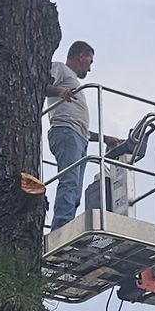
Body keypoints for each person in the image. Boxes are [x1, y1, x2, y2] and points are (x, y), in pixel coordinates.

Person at [44, 40, 94, 231]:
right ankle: (61, 227)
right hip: (66, 131)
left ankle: (68, 226)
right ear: (81, 56)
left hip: (80, 136)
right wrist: (60, 91)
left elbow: (80, 124)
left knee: (76, 190)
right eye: (89, 62)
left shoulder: (74, 82)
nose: (89, 70)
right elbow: (41, 86)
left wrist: (106, 138)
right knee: (69, 181)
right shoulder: (60, 69)